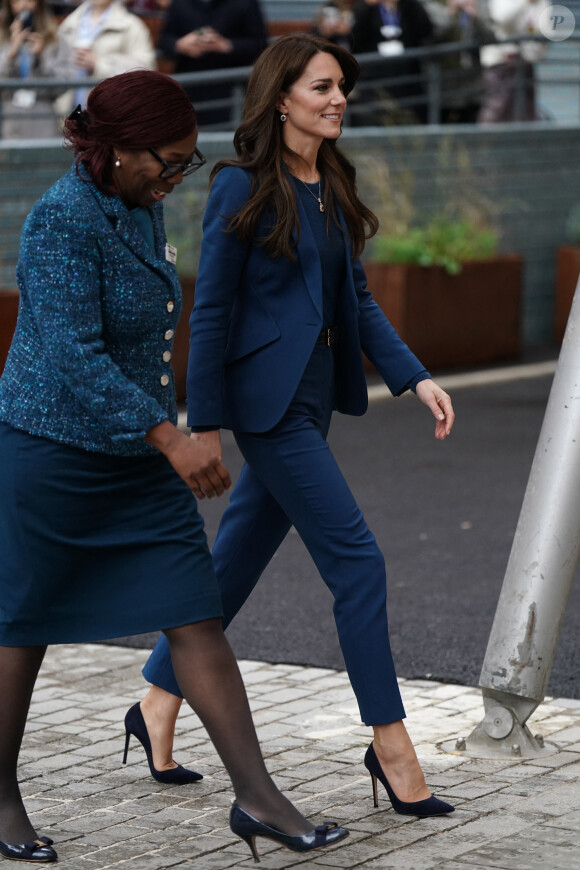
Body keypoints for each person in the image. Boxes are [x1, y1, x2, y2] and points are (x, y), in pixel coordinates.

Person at [0, 69, 349, 865]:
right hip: (51, 454)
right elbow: (71, 357)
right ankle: (0, 797)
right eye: (170, 161)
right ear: (117, 151)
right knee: (20, 626)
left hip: (135, 460)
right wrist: (172, 436)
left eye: (188, 162)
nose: (177, 177)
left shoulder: (136, 204)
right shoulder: (61, 221)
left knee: (195, 614)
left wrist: (167, 434)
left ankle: (257, 798)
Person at [140, 33, 456, 822]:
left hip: (314, 398)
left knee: (237, 559)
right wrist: (201, 423)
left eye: (342, 86)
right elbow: (209, 311)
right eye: (321, 87)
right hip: (267, 408)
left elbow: (358, 301)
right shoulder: (242, 185)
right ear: (282, 98)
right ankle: (390, 744)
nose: (337, 97)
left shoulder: (332, 184)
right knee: (359, 563)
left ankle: (153, 697)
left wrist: (414, 376)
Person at [157, 0, 267, 127]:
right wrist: (180, 45)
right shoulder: (180, 3)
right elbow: (164, 41)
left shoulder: (246, 3)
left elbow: (260, 45)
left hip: (230, 89)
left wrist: (227, 46)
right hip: (188, 87)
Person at [57, 0, 156, 112]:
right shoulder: (69, 23)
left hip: (110, 115)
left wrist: (98, 64)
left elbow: (146, 71)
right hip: (66, 114)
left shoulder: (132, 26)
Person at [350, 0, 434, 124]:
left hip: (408, 77)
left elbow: (426, 31)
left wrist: (410, 5)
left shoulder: (410, 6)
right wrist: (367, 7)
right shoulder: (366, 8)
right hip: (374, 78)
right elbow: (355, 39)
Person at [0, 0, 74, 138]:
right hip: (9, 119)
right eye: (16, 1)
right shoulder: (3, 39)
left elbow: (65, 84)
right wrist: (11, 53)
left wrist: (43, 58)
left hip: (44, 117)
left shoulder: (57, 39)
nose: (23, 5)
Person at [478, 0, 548, 122]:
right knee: (496, 110)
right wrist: (525, 3)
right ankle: (485, 140)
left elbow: (546, 30)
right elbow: (502, 18)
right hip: (500, 63)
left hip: (525, 63)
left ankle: (523, 140)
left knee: (525, 113)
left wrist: (533, 54)